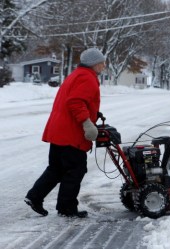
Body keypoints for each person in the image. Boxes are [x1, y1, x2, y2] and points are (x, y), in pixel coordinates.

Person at [25, 48, 106, 218]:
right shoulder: (87, 78)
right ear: (94, 64)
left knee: (56, 168)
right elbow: (76, 102)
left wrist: (93, 115)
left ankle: (35, 196)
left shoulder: (76, 75)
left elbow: (77, 101)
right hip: (71, 134)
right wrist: (87, 123)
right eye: (102, 63)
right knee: (75, 170)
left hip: (58, 131)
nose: (104, 66)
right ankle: (67, 207)